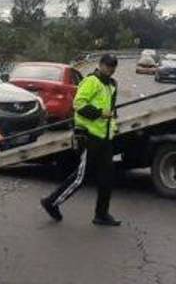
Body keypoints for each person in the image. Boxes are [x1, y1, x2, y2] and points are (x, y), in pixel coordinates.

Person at [41, 53, 121, 226]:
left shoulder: (112, 85)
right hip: (89, 136)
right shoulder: (91, 81)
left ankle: (101, 214)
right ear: (100, 65)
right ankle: (51, 202)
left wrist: (114, 127)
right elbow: (79, 104)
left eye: (113, 66)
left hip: (105, 138)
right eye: (107, 65)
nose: (110, 69)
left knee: (107, 177)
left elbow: (112, 111)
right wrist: (100, 113)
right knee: (80, 177)